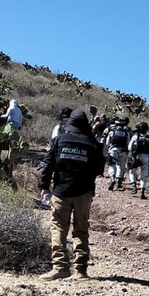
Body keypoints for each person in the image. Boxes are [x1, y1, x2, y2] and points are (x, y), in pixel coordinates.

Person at [39, 109, 102, 280]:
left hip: (61, 191)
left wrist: (44, 186)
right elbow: (99, 169)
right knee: (81, 229)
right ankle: (81, 270)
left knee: (58, 228)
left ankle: (60, 267)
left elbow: (48, 165)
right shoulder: (92, 143)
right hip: (83, 193)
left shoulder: (59, 140)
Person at [104, 117, 132, 191]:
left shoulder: (112, 131)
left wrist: (108, 149)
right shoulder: (127, 132)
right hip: (123, 150)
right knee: (120, 165)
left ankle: (112, 178)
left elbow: (107, 143)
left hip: (114, 149)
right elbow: (128, 143)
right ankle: (119, 181)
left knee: (112, 164)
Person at [128, 122, 149, 198]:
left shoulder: (135, 137)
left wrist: (131, 155)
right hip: (146, 157)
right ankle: (142, 192)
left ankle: (133, 186)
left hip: (136, 156)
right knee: (144, 175)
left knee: (132, 171)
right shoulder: (148, 137)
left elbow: (129, 147)